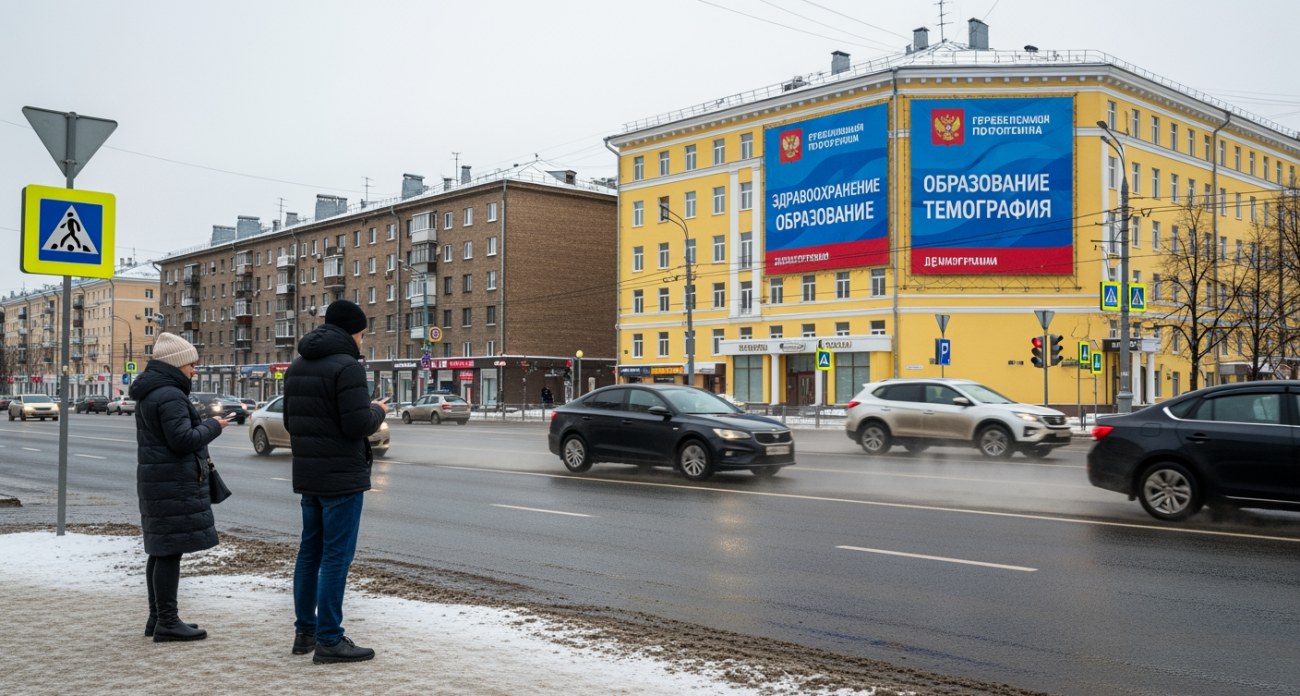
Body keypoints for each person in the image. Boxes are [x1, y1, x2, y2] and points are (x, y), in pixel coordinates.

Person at [284, 300, 389, 664]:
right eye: (361, 334)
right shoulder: (348, 367)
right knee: (335, 558)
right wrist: (379, 410)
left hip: (308, 476)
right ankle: (330, 638)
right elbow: (357, 424)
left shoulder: (297, 366)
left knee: (309, 553)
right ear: (350, 332)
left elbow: (290, 422)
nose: (362, 341)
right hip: (342, 479)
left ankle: (305, 632)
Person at [132, 331, 231, 642]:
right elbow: (182, 440)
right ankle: (168, 622)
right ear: (177, 364)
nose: (194, 370)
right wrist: (214, 426)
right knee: (169, 552)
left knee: (160, 550)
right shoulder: (170, 395)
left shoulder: (153, 392)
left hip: (159, 480)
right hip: (171, 482)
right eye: (191, 364)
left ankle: (157, 618)